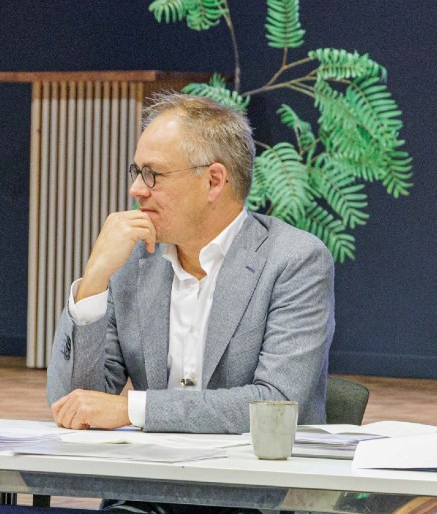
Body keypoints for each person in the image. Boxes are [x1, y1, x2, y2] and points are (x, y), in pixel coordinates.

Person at [47, 93, 334, 435]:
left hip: (252, 467)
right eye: (137, 172)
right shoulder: (133, 259)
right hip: (147, 469)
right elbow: (70, 405)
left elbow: (278, 404)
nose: (136, 189)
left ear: (214, 181)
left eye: (153, 174)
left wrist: (134, 409)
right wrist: (94, 279)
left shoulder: (293, 260)